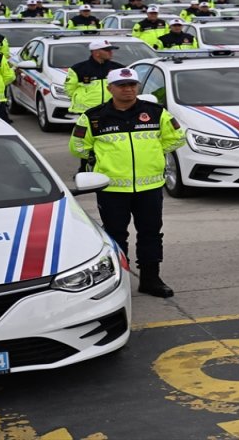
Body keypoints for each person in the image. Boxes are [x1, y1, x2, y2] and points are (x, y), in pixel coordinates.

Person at [70, 68, 184, 297]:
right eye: (122, 85)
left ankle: (151, 279)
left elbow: (177, 138)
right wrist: (99, 162)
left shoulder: (155, 112)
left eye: (132, 85)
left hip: (149, 186)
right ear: (109, 88)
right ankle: (118, 279)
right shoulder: (93, 116)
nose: (128, 89)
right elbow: (78, 146)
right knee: (115, 234)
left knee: (151, 233)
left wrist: (153, 155)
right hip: (112, 188)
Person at [66, 39, 125, 117]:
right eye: (107, 50)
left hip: (111, 108)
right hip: (87, 110)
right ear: (96, 53)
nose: (111, 52)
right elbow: (70, 89)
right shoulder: (78, 69)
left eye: (111, 50)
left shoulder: (118, 68)